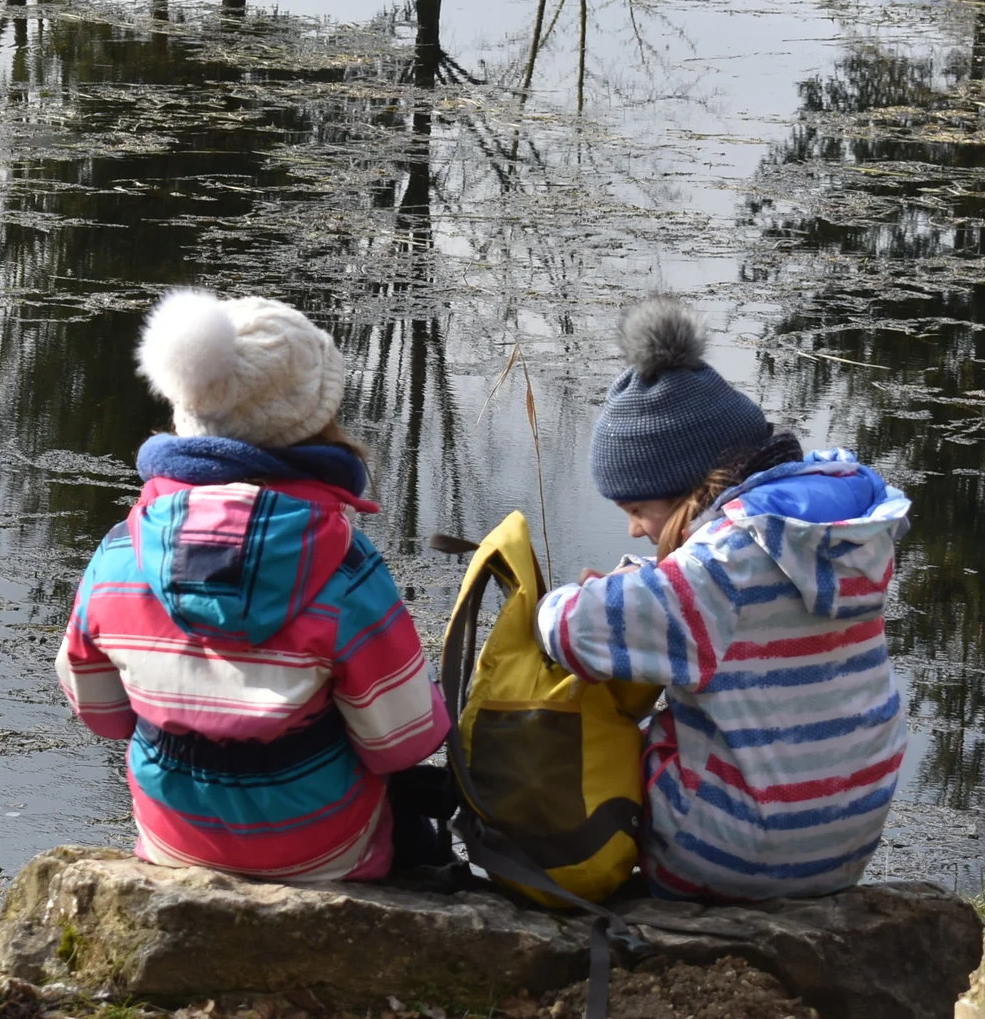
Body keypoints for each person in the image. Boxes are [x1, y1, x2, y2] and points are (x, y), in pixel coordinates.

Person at [54, 289, 451, 881]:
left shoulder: (121, 555)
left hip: (172, 841)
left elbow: (102, 714)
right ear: (316, 421)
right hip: (322, 853)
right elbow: (402, 740)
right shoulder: (344, 567)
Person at [536, 295, 910, 901]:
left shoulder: (719, 575)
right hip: (842, 848)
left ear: (685, 489)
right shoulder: (832, 531)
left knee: (614, 738)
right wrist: (642, 577)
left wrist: (564, 597)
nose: (633, 528)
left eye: (637, 509)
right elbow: (720, 606)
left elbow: (574, 631)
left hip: (729, 858)